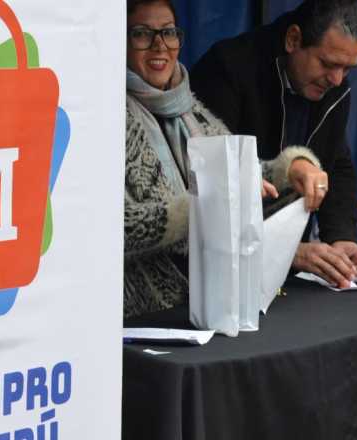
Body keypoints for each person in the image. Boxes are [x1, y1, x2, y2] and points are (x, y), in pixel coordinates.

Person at [124, 0, 311, 318]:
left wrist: (290, 169)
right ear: (122, 41)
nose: (160, 45)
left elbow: (238, 176)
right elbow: (120, 229)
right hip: (145, 315)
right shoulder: (106, 119)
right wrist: (205, 206)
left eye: (168, 32)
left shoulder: (192, 111)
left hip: (212, 302)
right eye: (142, 33)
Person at [191, 0, 357, 288]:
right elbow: (212, 183)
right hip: (221, 278)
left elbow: (336, 164)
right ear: (293, 39)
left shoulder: (334, 88)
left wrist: (341, 237)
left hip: (284, 272)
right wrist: (285, 251)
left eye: (348, 69)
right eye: (327, 64)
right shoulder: (230, 69)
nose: (337, 79)